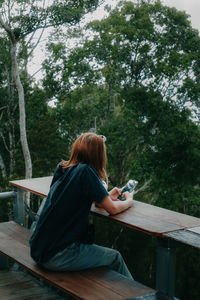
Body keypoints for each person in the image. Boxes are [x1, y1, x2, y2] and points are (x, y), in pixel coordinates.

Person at [29, 132, 134, 279]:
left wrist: (107, 196)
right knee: (115, 257)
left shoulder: (63, 168)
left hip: (38, 250)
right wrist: (129, 200)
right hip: (58, 255)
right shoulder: (87, 171)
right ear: (98, 155)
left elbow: (79, 199)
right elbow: (112, 209)